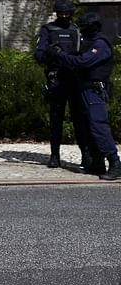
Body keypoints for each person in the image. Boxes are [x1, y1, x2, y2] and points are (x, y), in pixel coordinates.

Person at [49, 12, 119, 181]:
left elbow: (84, 61)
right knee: (87, 128)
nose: (81, 31)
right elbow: (78, 57)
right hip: (85, 90)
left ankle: (115, 163)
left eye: (83, 28)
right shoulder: (91, 42)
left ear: (92, 27)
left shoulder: (101, 44)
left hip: (94, 91)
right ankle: (97, 163)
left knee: (98, 126)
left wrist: (60, 54)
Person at [33, 0, 96, 172]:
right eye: (61, 13)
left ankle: (85, 154)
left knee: (80, 118)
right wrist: (51, 54)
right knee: (56, 118)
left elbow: (87, 50)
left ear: (71, 14)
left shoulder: (76, 29)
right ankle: (55, 155)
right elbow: (39, 55)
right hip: (57, 78)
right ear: (56, 13)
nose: (64, 16)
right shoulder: (48, 29)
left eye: (67, 13)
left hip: (76, 78)